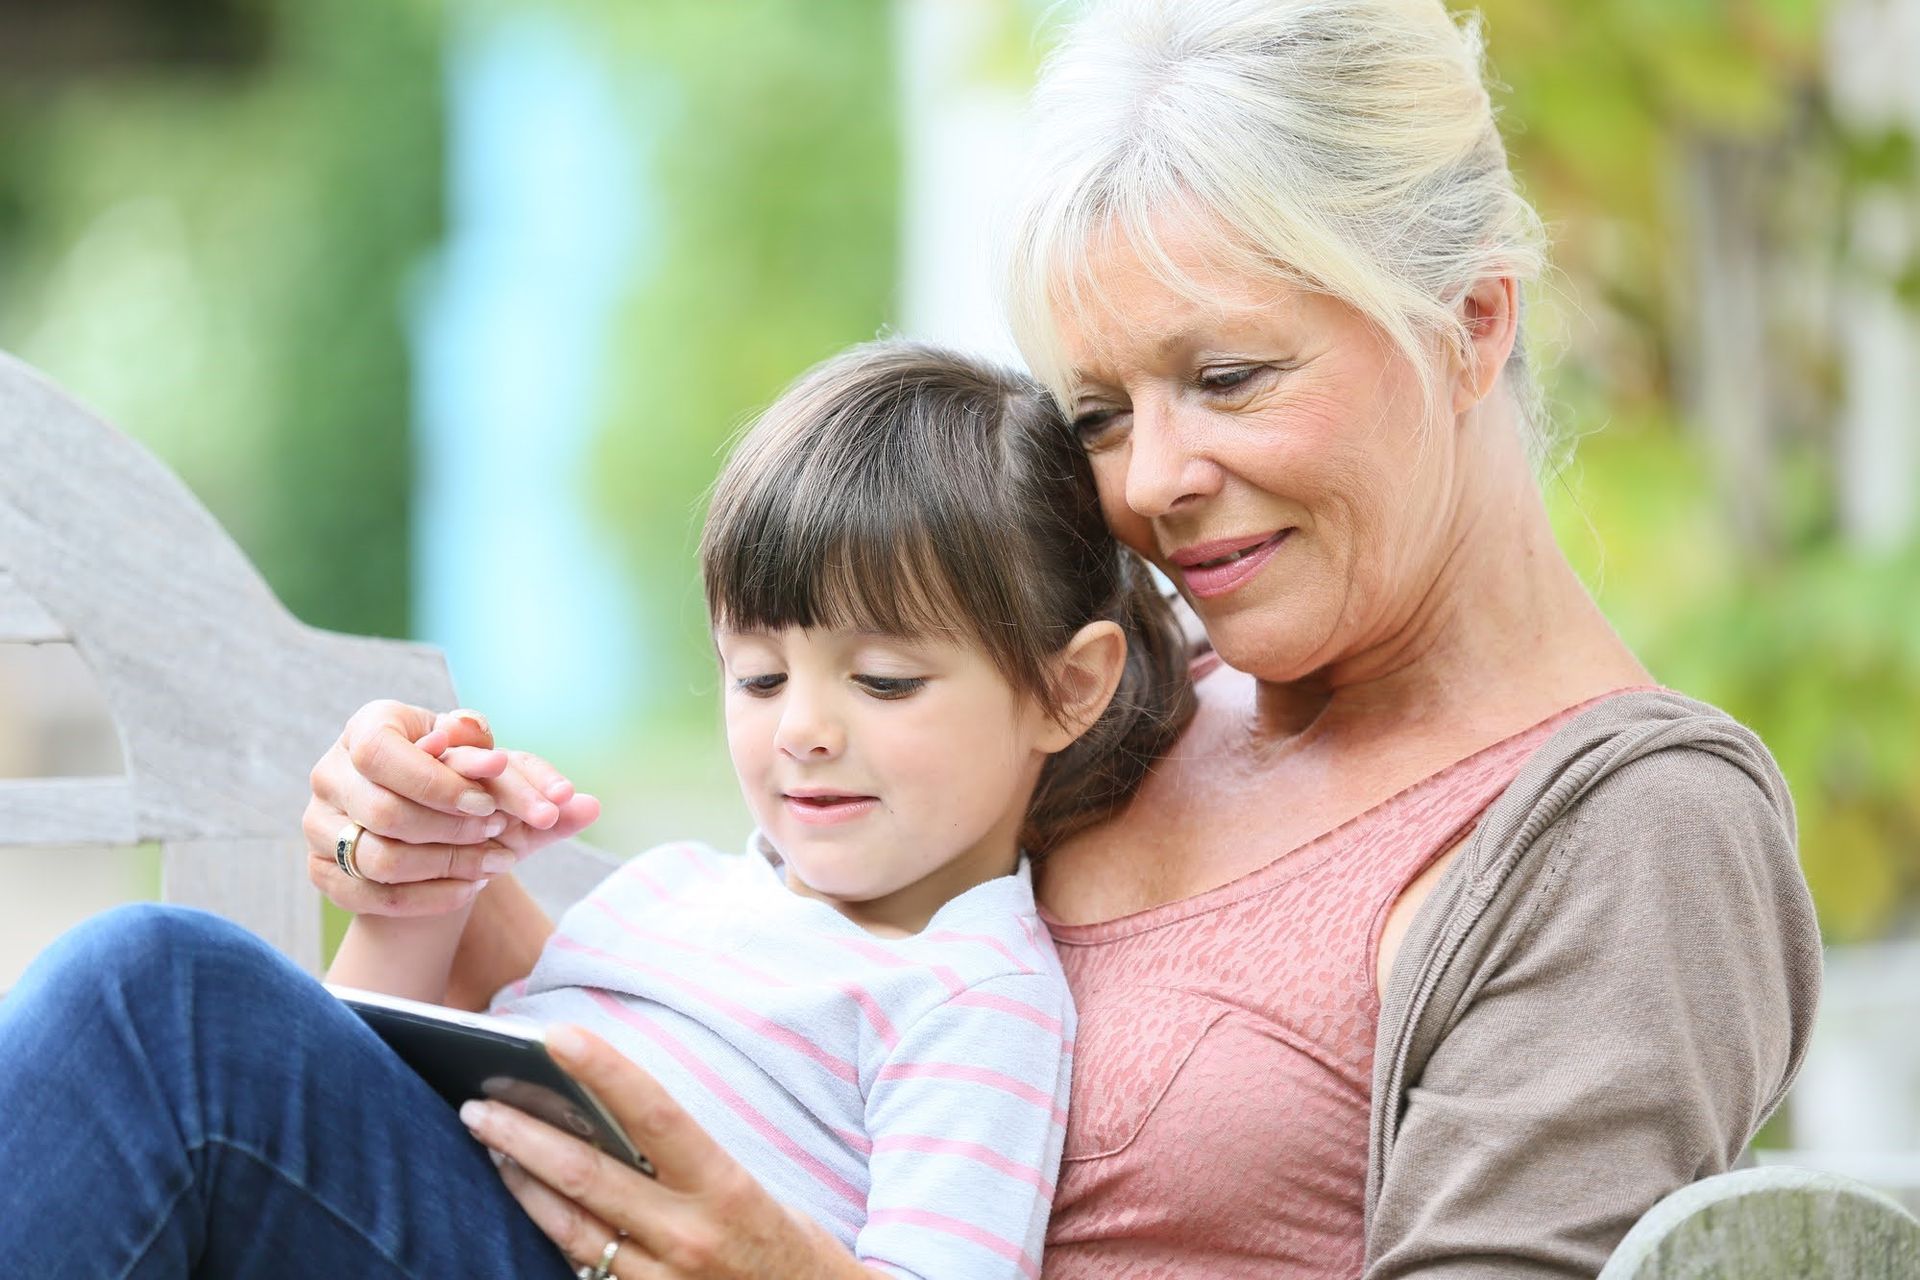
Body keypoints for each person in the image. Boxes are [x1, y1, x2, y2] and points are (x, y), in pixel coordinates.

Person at [301, 2, 1822, 1277]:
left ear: (1470, 324)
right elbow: (758, 1023)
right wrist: (428, 857)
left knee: (159, 1009)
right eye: (1101, 412)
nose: (1152, 481)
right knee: (169, 1010)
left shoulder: (1628, 832)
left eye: (1228, 377)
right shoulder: (1115, 698)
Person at [0, 342, 1193, 1279]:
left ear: (1064, 688)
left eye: (883, 680)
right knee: (161, 996)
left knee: (159, 988)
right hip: (445, 1218)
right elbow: (356, 1074)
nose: (803, 729)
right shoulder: (670, 893)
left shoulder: (969, 994)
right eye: (760, 676)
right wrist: (433, 884)